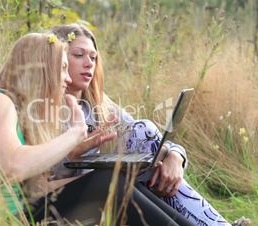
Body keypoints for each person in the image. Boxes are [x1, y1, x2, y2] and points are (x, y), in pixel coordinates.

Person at [0, 32, 194, 226]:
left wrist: (93, 178)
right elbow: (13, 167)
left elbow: (37, 189)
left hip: (21, 214)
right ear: (42, 67)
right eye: (63, 68)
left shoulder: (20, 113)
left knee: (117, 178)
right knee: (107, 181)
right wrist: (74, 133)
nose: (66, 79)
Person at [51, 23, 235, 226]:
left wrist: (175, 157)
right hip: (80, 196)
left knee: (150, 152)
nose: (89, 64)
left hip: (119, 190)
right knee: (144, 134)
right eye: (79, 55)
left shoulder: (100, 104)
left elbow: (150, 141)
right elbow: (44, 177)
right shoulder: (43, 108)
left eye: (93, 58)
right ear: (58, 59)